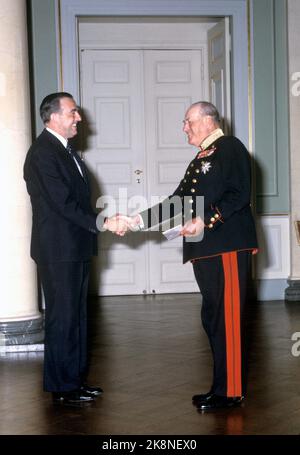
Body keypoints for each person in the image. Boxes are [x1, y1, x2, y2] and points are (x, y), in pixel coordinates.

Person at [118, 101, 258, 410]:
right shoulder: (201, 157)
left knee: (227, 320)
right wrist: (137, 221)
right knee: (212, 318)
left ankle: (230, 391)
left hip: (227, 246)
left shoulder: (229, 147)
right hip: (206, 249)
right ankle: (220, 385)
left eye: (188, 121)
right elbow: (178, 200)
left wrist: (205, 220)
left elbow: (239, 193)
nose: (184, 127)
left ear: (208, 121)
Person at [24, 92, 126, 405]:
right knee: (63, 318)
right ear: (53, 116)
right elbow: (63, 204)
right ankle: (63, 387)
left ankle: (75, 381)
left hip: (74, 247)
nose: (78, 118)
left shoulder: (64, 151)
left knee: (77, 317)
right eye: (73, 112)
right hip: (58, 249)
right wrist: (105, 222)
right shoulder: (43, 153)